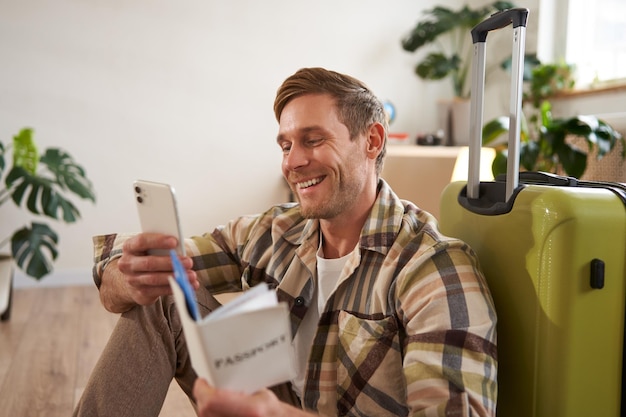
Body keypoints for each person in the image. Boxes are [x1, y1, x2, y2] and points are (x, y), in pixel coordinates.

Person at [74, 67, 497, 417]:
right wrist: (126, 278)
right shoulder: (278, 231)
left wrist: (275, 416)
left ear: (372, 141)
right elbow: (117, 268)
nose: (293, 162)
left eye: (313, 140)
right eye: (286, 144)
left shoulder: (434, 269)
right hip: (277, 403)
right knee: (163, 287)